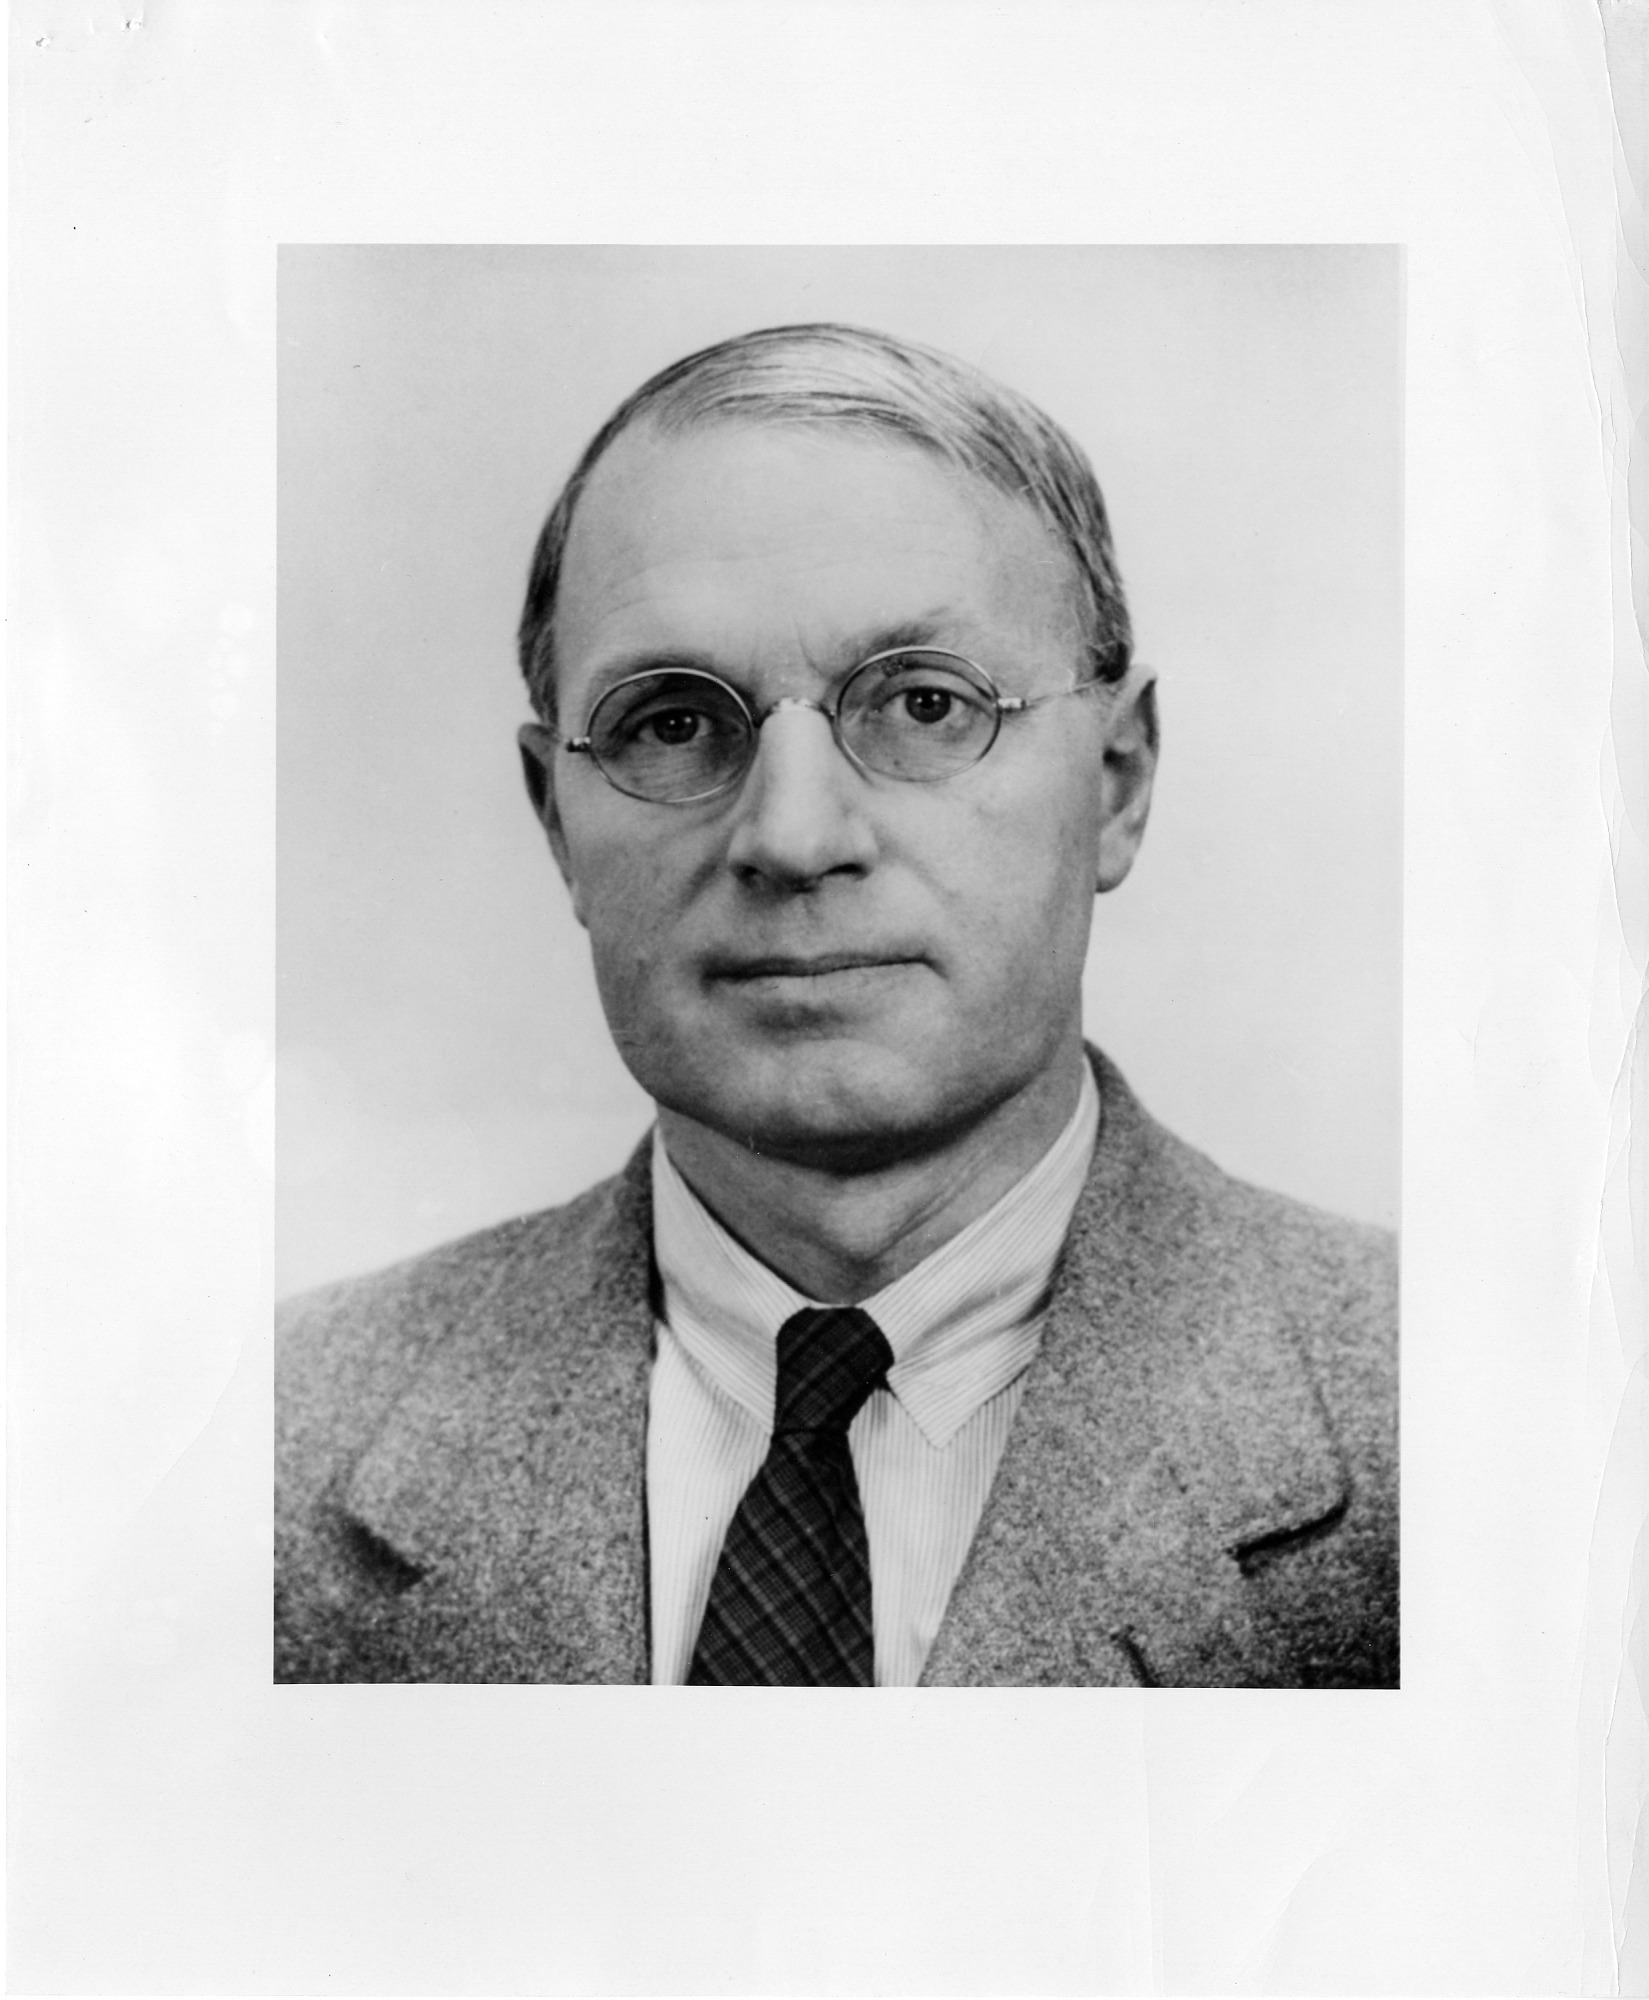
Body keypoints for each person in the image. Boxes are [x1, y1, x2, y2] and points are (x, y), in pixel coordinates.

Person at [275, 322, 1398, 1687]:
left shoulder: (1465, 1412)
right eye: (673, 722)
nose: (794, 837)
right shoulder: (264, 1448)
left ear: (1117, 780)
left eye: (924, 705)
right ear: (556, 821)